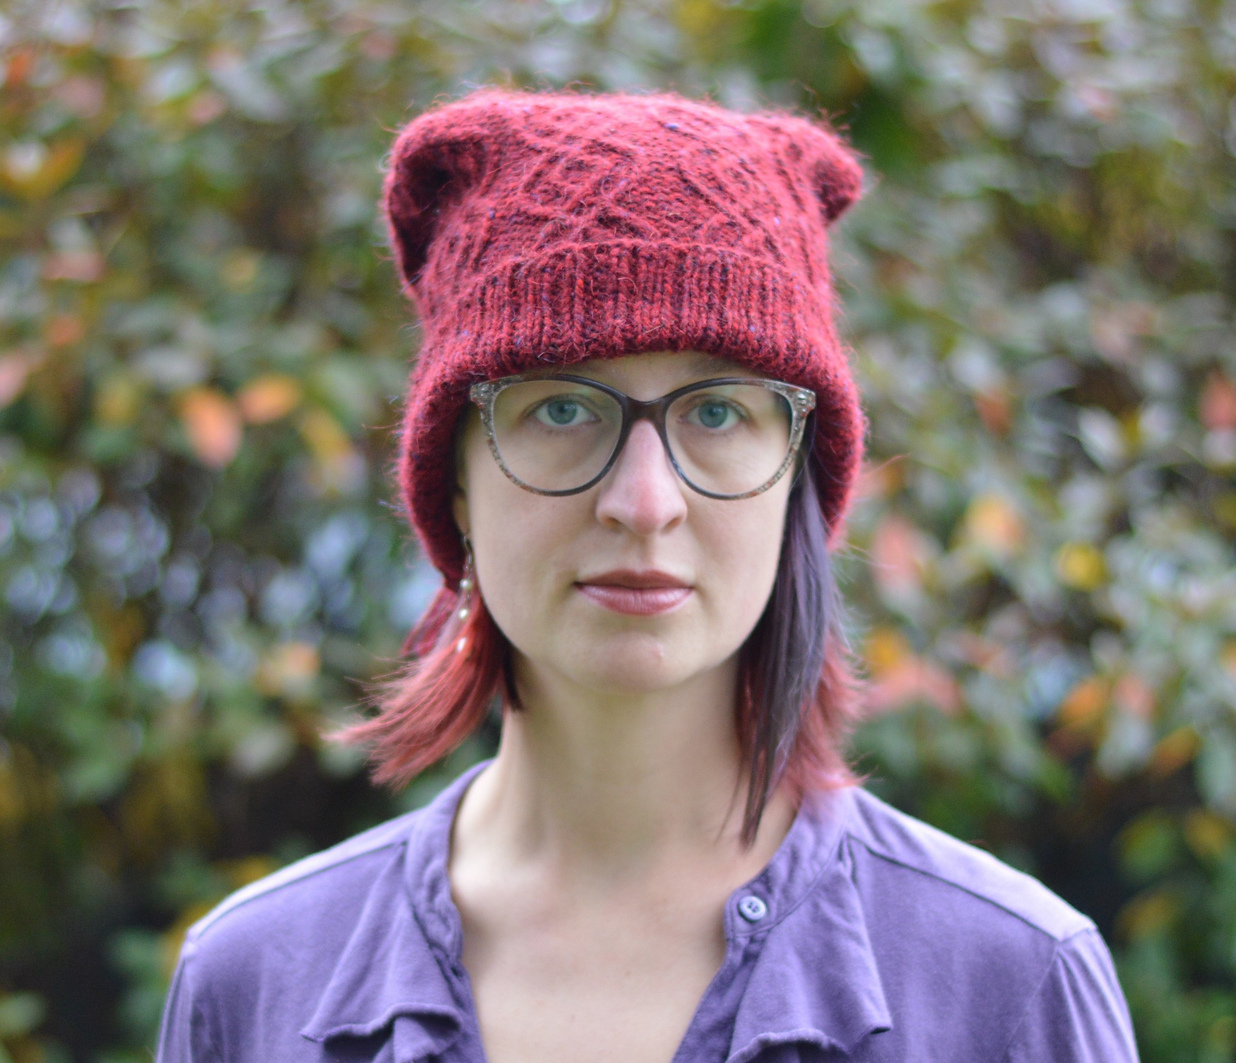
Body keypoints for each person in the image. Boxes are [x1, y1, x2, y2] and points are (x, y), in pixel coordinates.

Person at [155, 88, 1140, 1063]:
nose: (644, 501)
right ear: (453, 480)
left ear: (797, 475)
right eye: (561, 408)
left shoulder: (1010, 989)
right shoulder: (252, 987)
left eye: (716, 412)